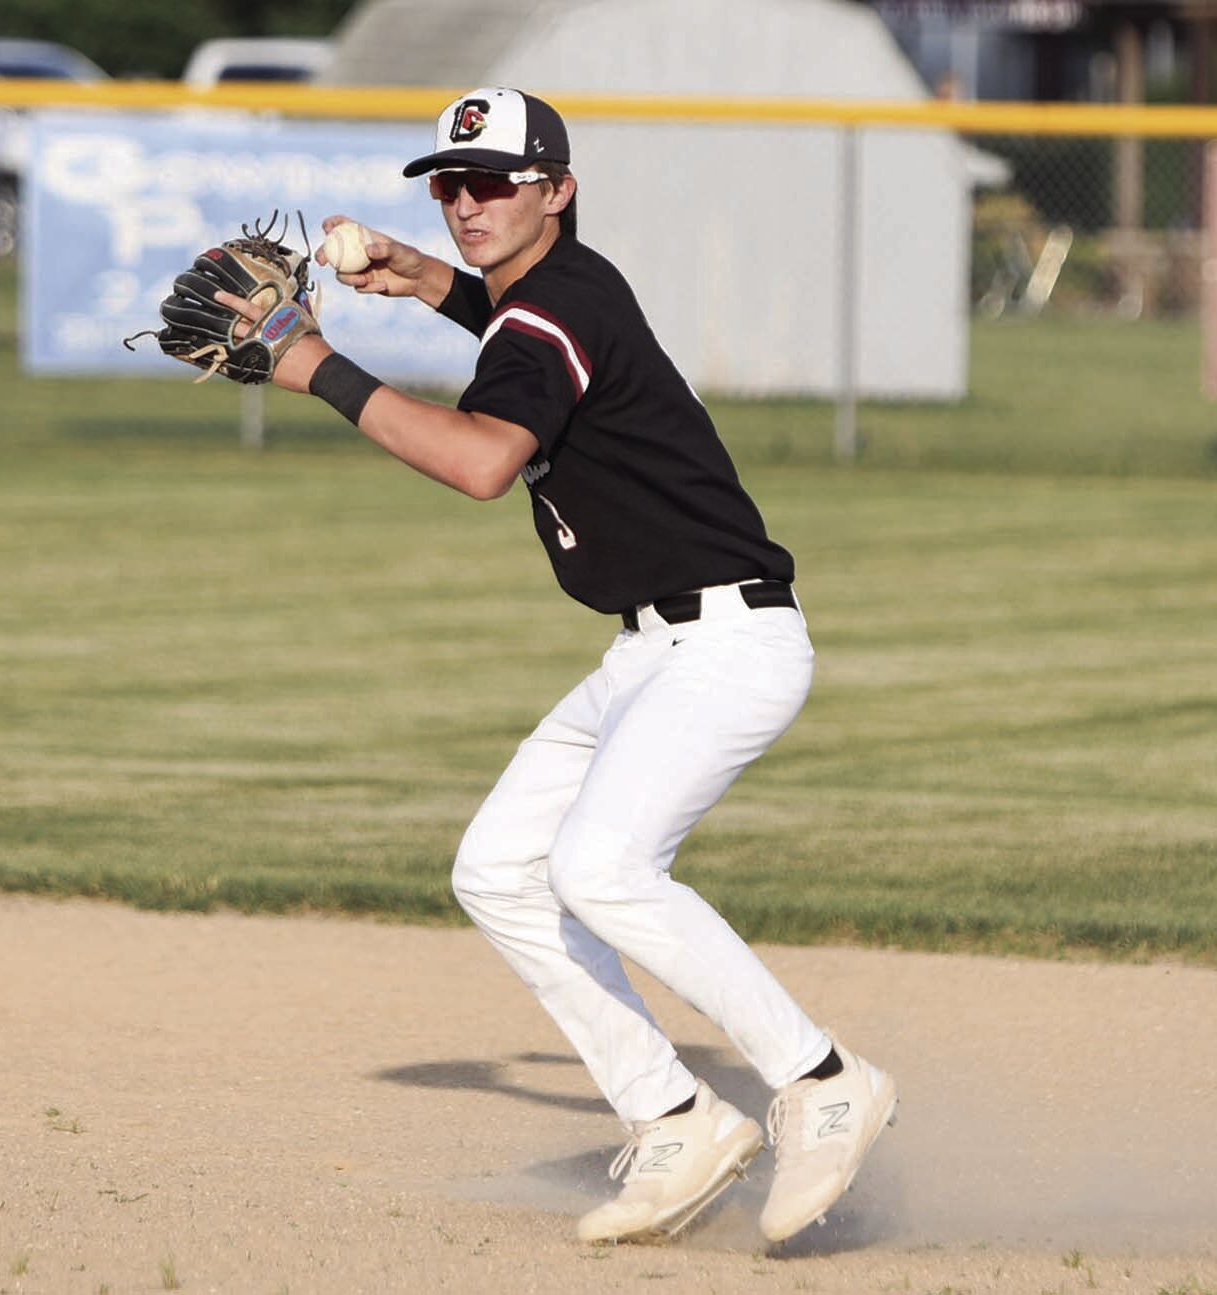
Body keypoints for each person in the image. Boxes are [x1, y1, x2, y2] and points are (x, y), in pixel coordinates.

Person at [215, 86, 897, 1246]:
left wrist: (314, 362)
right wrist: (426, 281)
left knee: (602, 866)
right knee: (499, 869)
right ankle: (675, 1114)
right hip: (653, 647)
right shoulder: (565, 289)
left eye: (493, 182)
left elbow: (484, 461)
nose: (465, 202)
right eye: (448, 184)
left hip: (728, 645)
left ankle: (824, 1078)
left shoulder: (552, 314)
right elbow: (511, 318)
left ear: (558, 190)